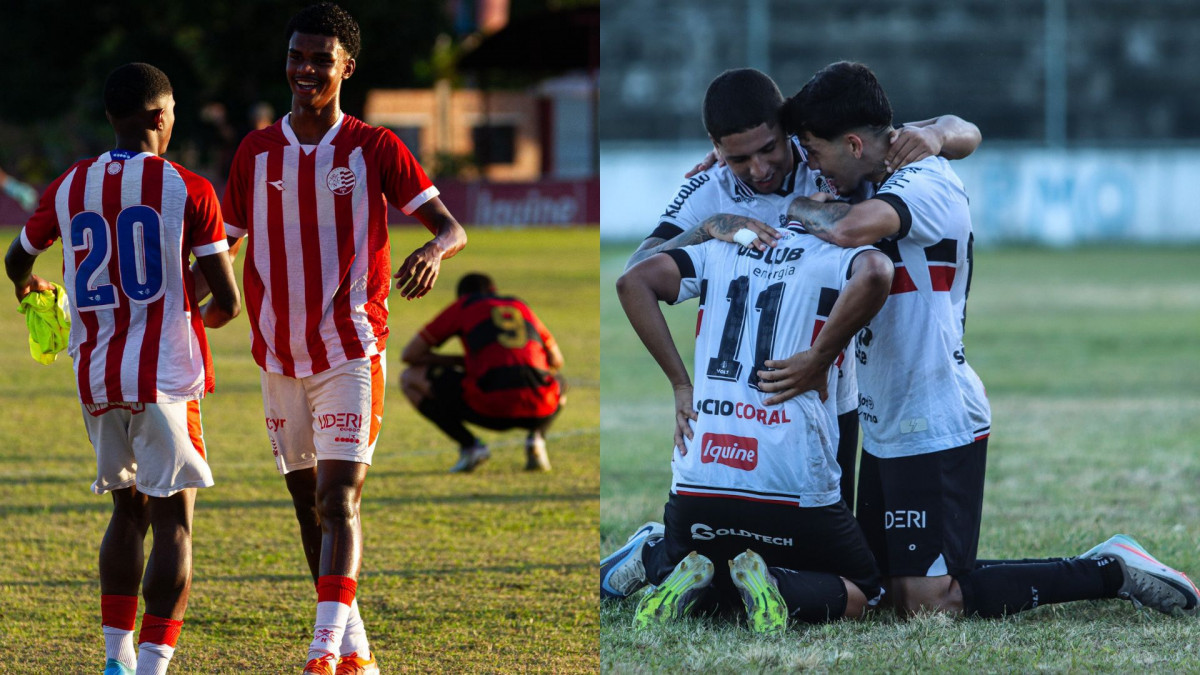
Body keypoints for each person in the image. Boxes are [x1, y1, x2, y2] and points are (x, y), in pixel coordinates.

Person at [739, 61, 1199, 618]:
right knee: (876, 590)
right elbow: (957, 127)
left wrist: (792, 206)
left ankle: (1111, 569)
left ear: (855, 143)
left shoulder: (923, 180)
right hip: (887, 412)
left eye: (813, 152)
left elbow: (848, 228)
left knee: (928, 602)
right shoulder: (875, 165)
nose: (810, 166)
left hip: (934, 416)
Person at [216, 4, 467, 673]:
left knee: (338, 497)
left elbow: (448, 225)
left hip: (352, 347)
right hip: (276, 353)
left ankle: (321, 652)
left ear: (345, 68)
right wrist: (199, 295)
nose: (304, 70)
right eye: (296, 57)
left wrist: (435, 251)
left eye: (319, 60)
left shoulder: (375, 148)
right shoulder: (256, 150)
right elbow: (226, 246)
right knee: (307, 506)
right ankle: (354, 648)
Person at [626, 68, 982, 513]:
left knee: (836, 543)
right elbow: (636, 271)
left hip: (835, 387)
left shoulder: (827, 155)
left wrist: (940, 133)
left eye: (769, 149)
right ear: (716, 150)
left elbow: (960, 132)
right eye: (738, 159)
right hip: (741, 400)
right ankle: (658, 551)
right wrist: (709, 228)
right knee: (740, 530)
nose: (759, 170)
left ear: (786, 131)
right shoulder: (708, 191)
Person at [4, 63, 241, 675]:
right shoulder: (189, 187)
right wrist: (193, 316)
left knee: (125, 511)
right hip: (165, 375)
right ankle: (153, 667)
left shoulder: (68, 186)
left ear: (111, 117)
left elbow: (15, 259)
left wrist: (32, 287)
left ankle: (116, 660)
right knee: (175, 519)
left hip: (96, 377)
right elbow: (227, 300)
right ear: (161, 118)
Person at [603, 210, 895, 631]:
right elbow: (876, 271)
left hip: (700, 477)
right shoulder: (831, 251)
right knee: (867, 593)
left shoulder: (720, 249)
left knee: (700, 565)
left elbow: (631, 281)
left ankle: (657, 559)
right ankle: (774, 584)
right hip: (791, 480)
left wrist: (681, 385)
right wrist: (819, 358)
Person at [399, 272, 565, 473]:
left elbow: (409, 355)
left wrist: (459, 361)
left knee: (409, 378)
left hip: (488, 408)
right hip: (540, 411)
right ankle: (536, 440)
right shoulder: (519, 305)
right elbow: (557, 361)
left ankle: (471, 446)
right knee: (559, 382)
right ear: (493, 290)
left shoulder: (464, 306)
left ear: (462, 295)